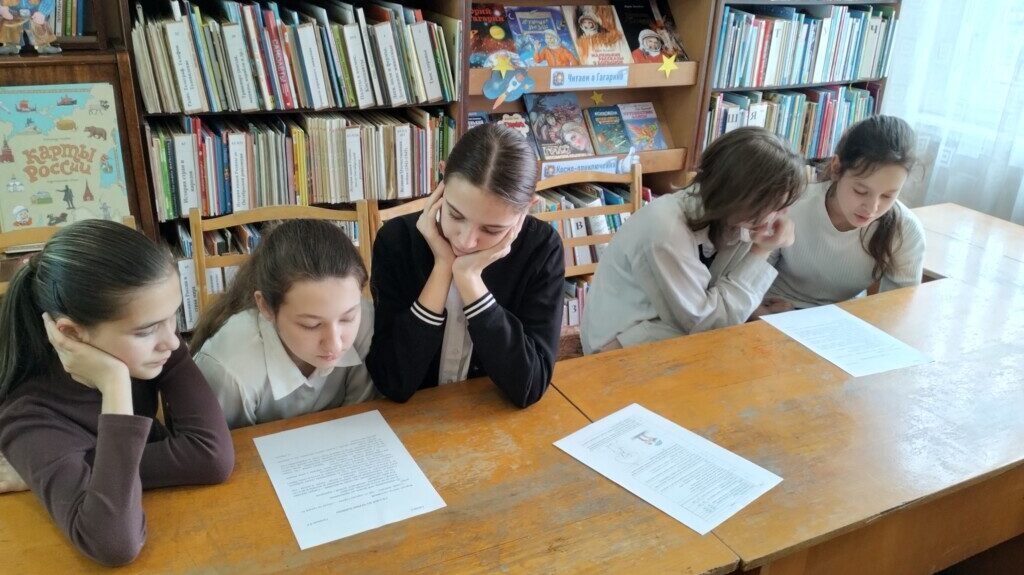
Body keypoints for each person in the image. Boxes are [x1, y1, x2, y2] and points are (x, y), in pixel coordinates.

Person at [0, 220, 233, 566]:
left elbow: (211, 456)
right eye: (147, 330)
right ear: (71, 334)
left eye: (173, 316)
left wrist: (86, 466)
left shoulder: (152, 344)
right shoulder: (28, 416)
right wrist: (114, 384)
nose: (173, 342)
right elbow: (113, 543)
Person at [367, 123, 565, 408]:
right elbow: (393, 382)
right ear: (442, 177)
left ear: (527, 207)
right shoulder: (396, 240)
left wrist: (470, 278)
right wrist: (442, 268)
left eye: (492, 229)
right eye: (455, 215)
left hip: (487, 415)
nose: (466, 241)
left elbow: (530, 386)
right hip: (413, 417)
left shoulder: (542, 248)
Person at [581, 127, 805, 353]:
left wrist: (754, 311)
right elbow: (705, 323)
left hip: (664, 331)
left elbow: (715, 297)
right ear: (740, 196)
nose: (782, 215)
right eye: (776, 206)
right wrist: (760, 253)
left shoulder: (738, 220)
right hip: (616, 348)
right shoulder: (665, 228)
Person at [191, 219, 376, 429]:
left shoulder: (366, 320)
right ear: (266, 307)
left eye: (347, 318)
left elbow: (363, 421)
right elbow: (226, 447)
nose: (335, 344)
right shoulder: (228, 370)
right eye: (311, 325)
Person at [761, 115, 924, 312]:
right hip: (770, 309)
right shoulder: (793, 204)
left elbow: (897, 310)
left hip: (840, 320)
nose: (872, 208)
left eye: (888, 196)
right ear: (837, 168)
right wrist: (761, 312)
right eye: (860, 191)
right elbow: (748, 279)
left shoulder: (905, 230)